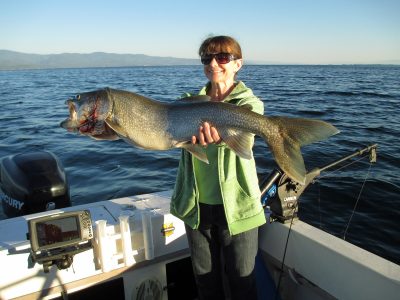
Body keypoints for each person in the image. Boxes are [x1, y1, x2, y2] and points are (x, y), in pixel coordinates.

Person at [170, 35, 265, 300]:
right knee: (205, 285)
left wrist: (221, 138)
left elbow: (243, 141)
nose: (214, 63)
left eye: (222, 57)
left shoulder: (249, 104)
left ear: (238, 64)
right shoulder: (186, 102)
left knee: (242, 283)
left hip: (239, 207)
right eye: (207, 58)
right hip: (196, 208)